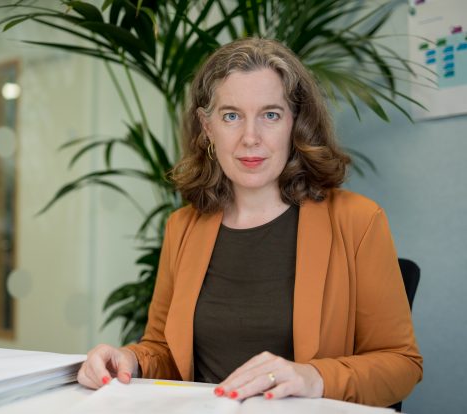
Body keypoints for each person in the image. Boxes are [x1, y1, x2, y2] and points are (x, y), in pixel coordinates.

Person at [77, 37, 423, 407]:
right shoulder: (183, 226)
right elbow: (163, 349)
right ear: (207, 127)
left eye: (270, 115)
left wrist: (313, 377)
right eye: (231, 116)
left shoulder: (358, 220)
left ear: (295, 123)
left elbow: (401, 364)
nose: (250, 138)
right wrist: (130, 360)